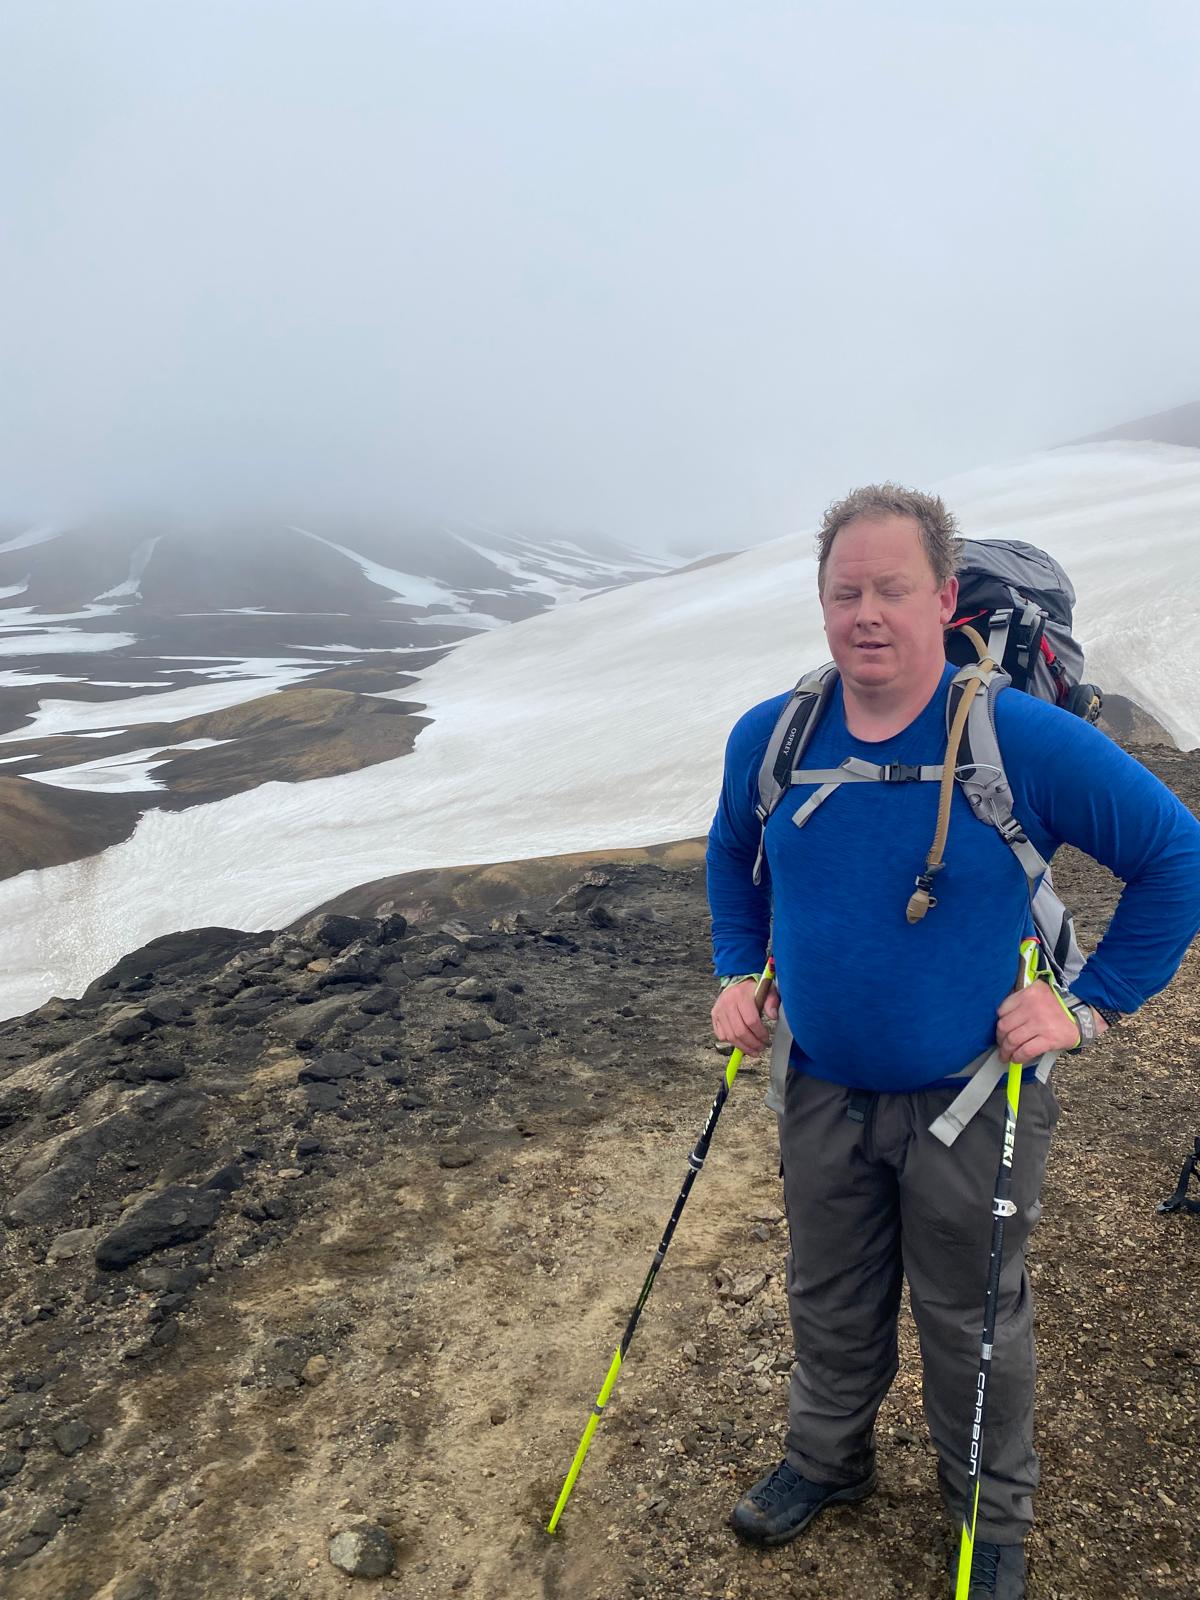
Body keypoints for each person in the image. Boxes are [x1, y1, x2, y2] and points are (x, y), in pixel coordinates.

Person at [705, 484, 1200, 1598]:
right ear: (822, 602)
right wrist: (739, 970)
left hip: (973, 1103)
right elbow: (733, 855)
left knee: (971, 1317)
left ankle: (992, 1525)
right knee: (827, 1295)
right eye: (845, 591)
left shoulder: (1018, 737)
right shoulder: (774, 735)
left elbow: (1179, 857)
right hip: (821, 1088)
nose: (865, 612)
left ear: (942, 598)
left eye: (890, 589)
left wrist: (1091, 1004)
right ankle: (828, 1461)